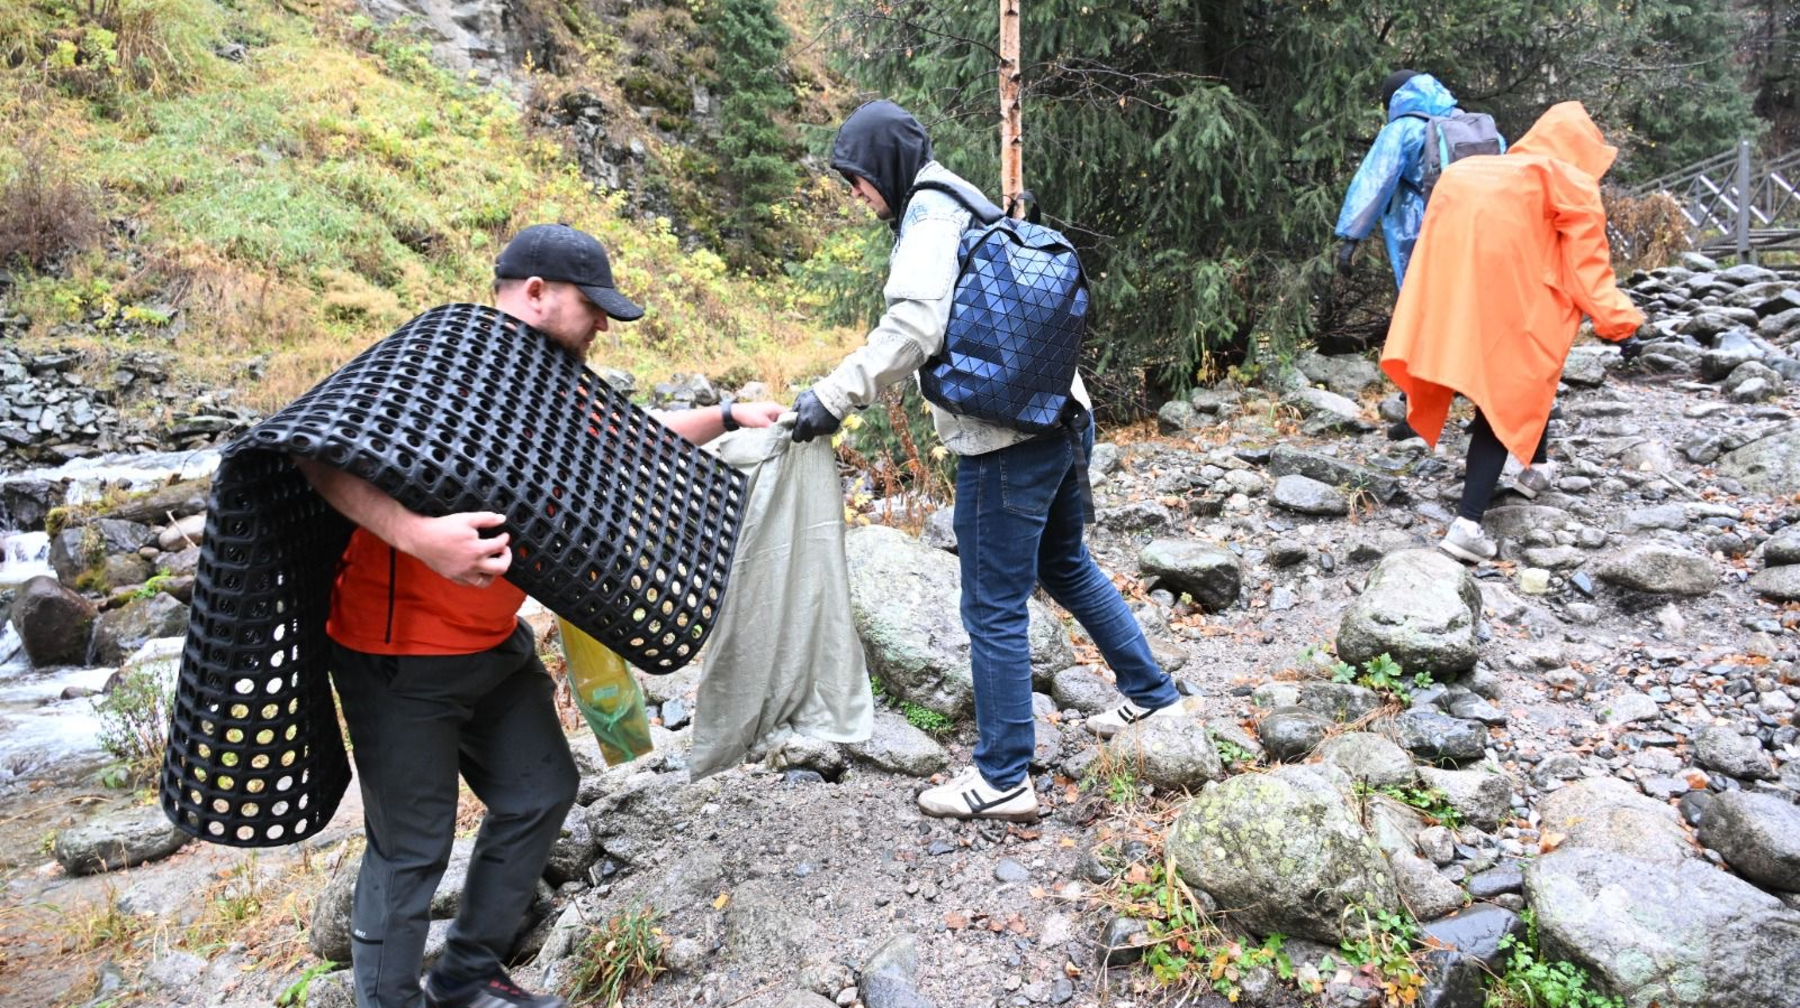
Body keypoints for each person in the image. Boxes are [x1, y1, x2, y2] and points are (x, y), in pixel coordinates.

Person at [296, 223, 785, 1008]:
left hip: (492, 643)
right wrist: (420, 537)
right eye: (592, 307)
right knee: (413, 849)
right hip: (397, 654)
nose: (601, 325)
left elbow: (634, 445)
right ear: (535, 293)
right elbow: (316, 449)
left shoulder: (551, 382)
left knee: (540, 791)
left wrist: (728, 416)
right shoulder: (439, 363)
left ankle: (465, 974)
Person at [787, 100, 1190, 823]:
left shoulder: (930, 220)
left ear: (884, 165)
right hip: (1062, 414)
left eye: (856, 180)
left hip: (1003, 440)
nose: (856, 195)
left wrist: (833, 395)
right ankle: (1153, 694)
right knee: (1064, 564)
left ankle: (1003, 775)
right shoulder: (962, 198)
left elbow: (911, 326)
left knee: (992, 606)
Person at [1378, 103, 1644, 563]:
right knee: (1507, 391)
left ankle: (1535, 468)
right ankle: (1467, 525)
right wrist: (1621, 327)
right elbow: (1588, 268)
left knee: (1528, 379)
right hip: (1516, 307)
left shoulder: (1473, 170)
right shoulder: (1566, 180)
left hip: (1450, 305)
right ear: (1581, 149)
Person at [1333, 70, 1493, 440]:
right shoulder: (1469, 123)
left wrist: (1350, 238)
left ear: (1392, 100)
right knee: (1474, 317)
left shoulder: (1403, 128)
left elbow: (1374, 181)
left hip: (1420, 234)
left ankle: (1417, 414)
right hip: (1479, 235)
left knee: (1420, 322)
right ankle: (1486, 412)